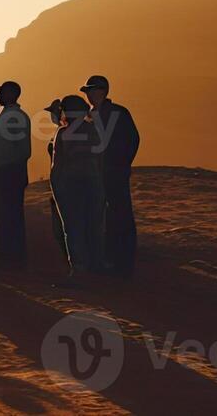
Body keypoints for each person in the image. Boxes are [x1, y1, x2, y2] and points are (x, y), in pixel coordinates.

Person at [82, 75, 139, 279]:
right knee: (105, 217)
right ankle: (110, 259)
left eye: (90, 90)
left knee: (118, 216)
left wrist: (119, 165)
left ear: (101, 91)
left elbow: (131, 141)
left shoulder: (116, 113)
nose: (88, 94)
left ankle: (122, 263)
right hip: (101, 174)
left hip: (111, 174)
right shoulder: (94, 115)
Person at [51, 93, 107, 275]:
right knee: (93, 225)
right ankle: (96, 264)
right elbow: (100, 159)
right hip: (92, 181)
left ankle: (78, 267)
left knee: (72, 228)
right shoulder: (93, 131)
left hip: (70, 183)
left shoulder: (62, 133)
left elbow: (57, 164)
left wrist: (55, 187)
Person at [0, 81, 32, 268]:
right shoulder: (8, 114)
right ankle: (9, 255)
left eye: (1, 92)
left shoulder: (14, 117)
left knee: (9, 215)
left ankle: (13, 257)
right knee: (5, 216)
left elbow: (21, 150)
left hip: (8, 172)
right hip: (3, 170)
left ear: (11, 94)